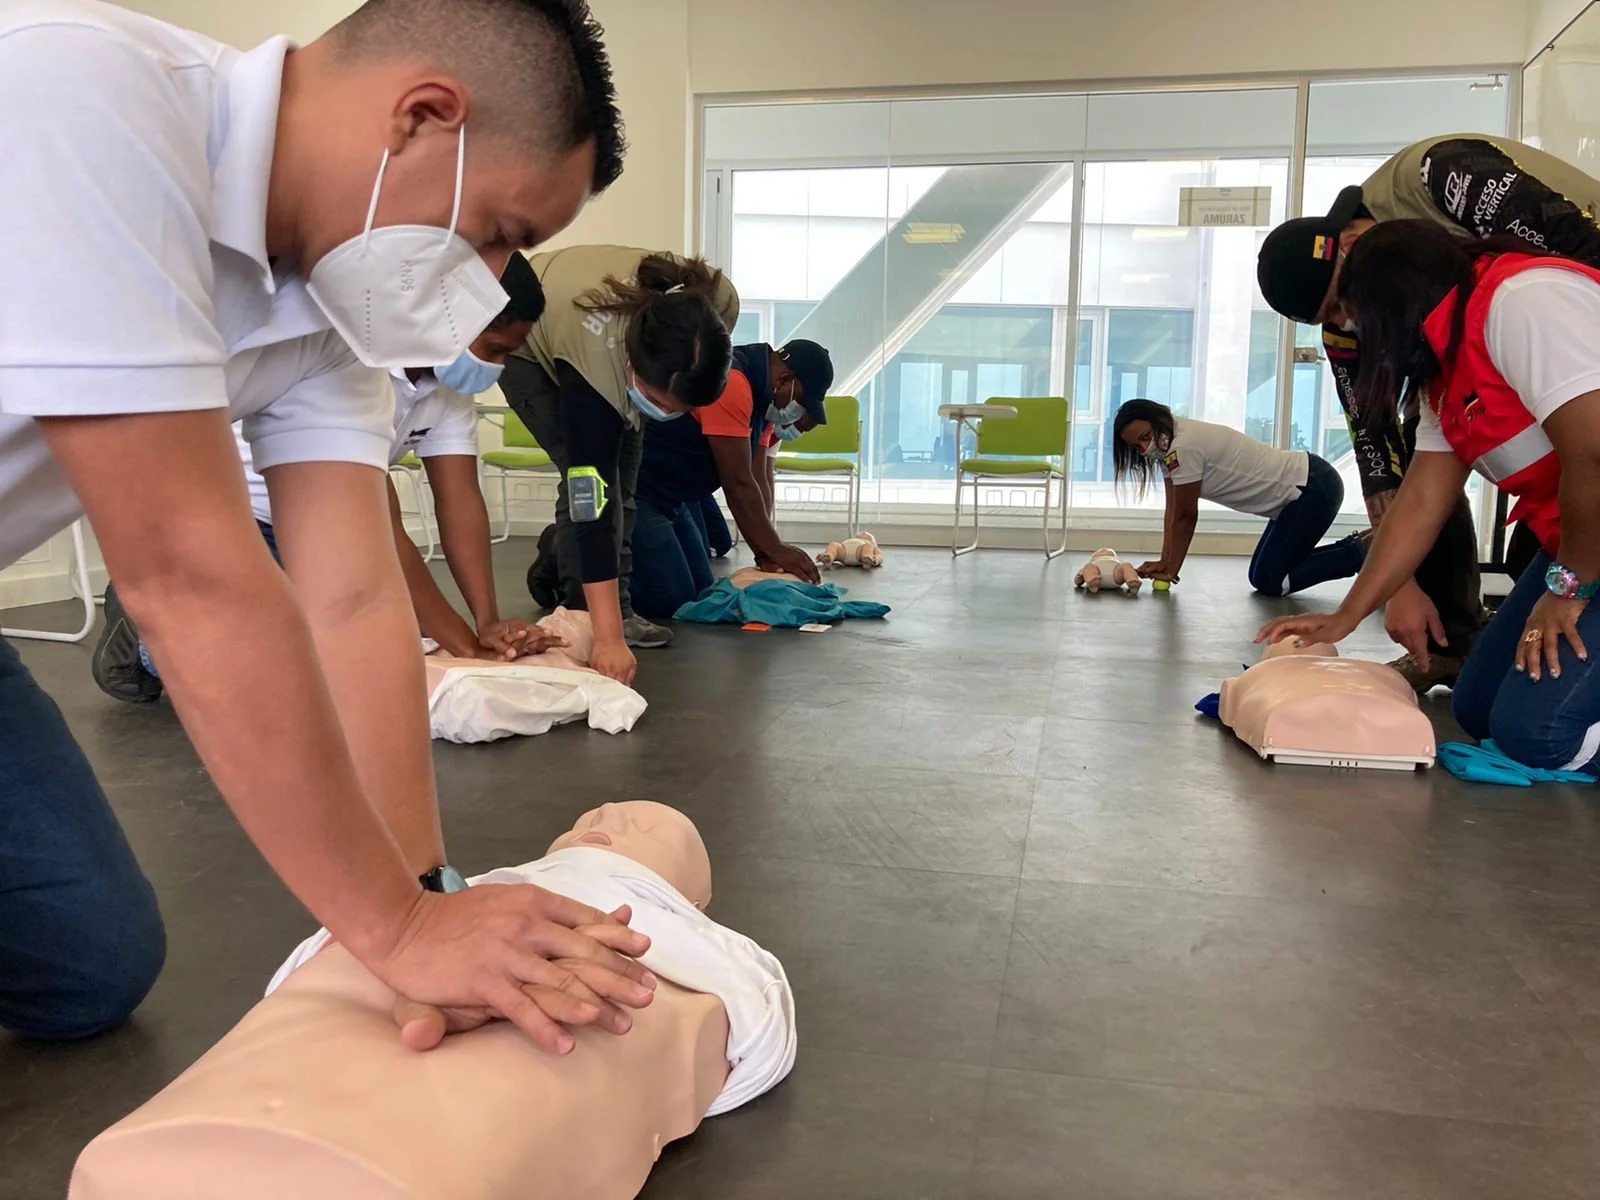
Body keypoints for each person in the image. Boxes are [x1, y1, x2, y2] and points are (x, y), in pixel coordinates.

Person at [0, 0, 658, 1053]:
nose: (491, 281)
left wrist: (424, 896)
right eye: (499, 232)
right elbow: (186, 574)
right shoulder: (81, 94)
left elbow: (352, 600)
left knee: (90, 971)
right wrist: (396, 932)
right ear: (422, 117)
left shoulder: (330, 307)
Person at [93, 256, 551, 705]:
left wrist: (487, 623)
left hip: (318, 526)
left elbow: (459, 503)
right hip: (236, 519)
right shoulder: (356, 363)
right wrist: (467, 648)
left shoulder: (446, 393)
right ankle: (144, 637)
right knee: (278, 668)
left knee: (364, 651)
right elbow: (381, 530)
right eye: (493, 349)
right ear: (453, 319)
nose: (497, 367)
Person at [1257, 134, 1600, 689]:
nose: (1348, 324)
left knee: (1533, 718)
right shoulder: (1415, 354)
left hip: (1565, 315)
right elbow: (1390, 472)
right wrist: (1369, 604)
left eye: (1346, 304)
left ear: (1354, 249)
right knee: (1478, 701)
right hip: (1487, 353)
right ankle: (1455, 646)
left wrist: (1571, 585)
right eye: (1332, 318)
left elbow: (1571, 245)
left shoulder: (1443, 180)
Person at [501, 246, 739, 683]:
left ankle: (618, 608)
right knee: (589, 480)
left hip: (608, 349)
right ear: (633, 365)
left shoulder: (718, 302)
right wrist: (607, 640)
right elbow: (589, 497)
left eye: (678, 408)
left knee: (627, 485)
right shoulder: (594, 367)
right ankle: (583, 614)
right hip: (527, 344)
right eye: (657, 401)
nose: (665, 414)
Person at [630, 340, 832, 619]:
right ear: (785, 380)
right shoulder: (732, 383)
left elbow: (757, 476)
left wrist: (765, 551)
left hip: (675, 499)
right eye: (802, 403)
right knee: (671, 600)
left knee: (701, 592)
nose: (800, 414)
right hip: (640, 493)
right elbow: (737, 483)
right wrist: (774, 548)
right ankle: (584, 575)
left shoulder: (764, 403)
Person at [1112, 399, 1367, 595]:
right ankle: (1360, 546)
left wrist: (1172, 569)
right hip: (1298, 492)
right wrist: (1164, 562)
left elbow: (1185, 516)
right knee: (1260, 576)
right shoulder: (1170, 448)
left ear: (1157, 420)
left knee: (1272, 581)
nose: (1144, 448)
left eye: (1145, 437)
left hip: (1312, 488)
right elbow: (1173, 510)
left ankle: (1361, 551)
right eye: (1136, 446)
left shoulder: (1183, 447)